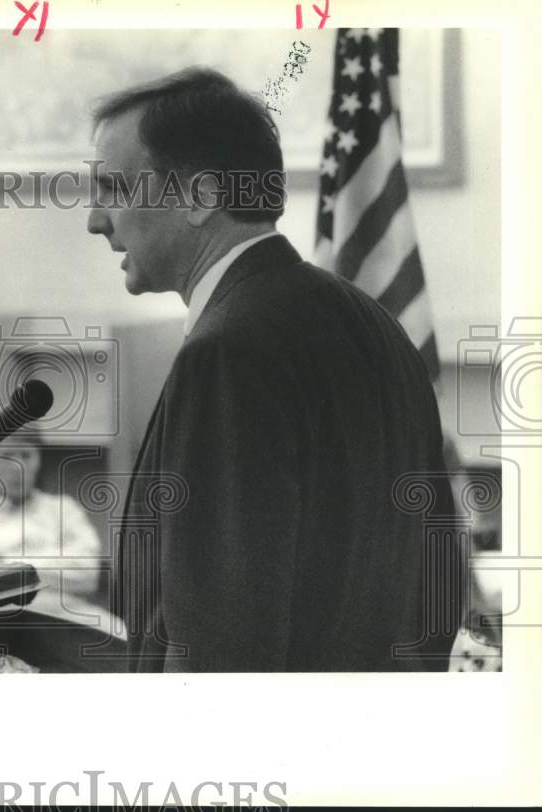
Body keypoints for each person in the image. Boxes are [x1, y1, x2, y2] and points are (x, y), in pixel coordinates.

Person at [86, 67, 460, 671]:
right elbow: (442, 577)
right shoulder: (376, 324)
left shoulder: (228, 350)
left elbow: (220, 636)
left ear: (200, 197)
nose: (96, 220)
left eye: (115, 190)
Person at [0, 431, 110, 630]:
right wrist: (52, 564)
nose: (19, 467)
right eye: (7, 456)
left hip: (71, 617)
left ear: (39, 458)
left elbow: (88, 574)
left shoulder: (63, 508)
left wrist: (7, 562)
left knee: (123, 638)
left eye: (26, 455)